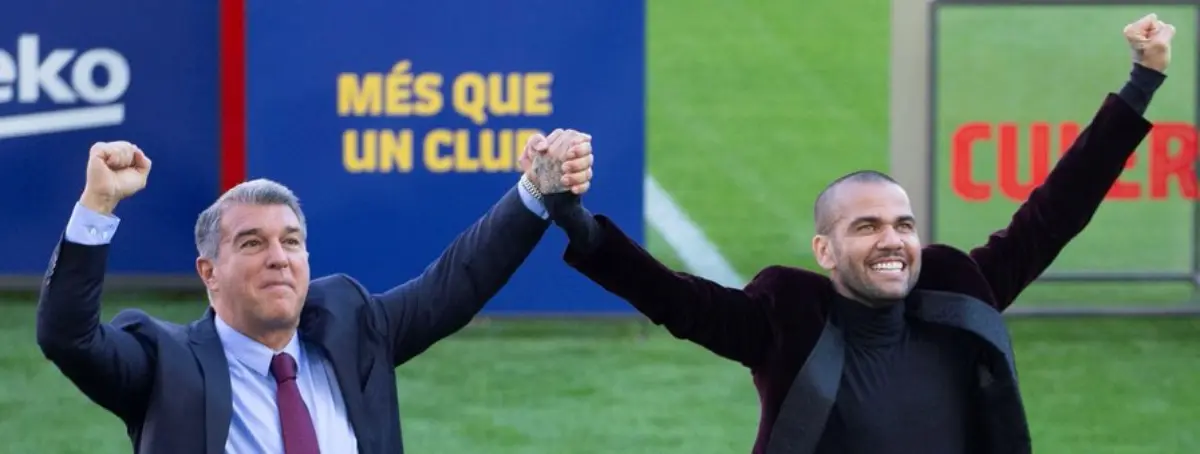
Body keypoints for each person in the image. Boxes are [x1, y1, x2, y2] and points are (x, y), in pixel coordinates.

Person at [540, 13, 1174, 454]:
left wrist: (1141, 82)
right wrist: (570, 213)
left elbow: (1054, 212)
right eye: (866, 226)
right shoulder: (783, 324)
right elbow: (671, 297)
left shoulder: (959, 295)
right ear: (825, 250)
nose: (892, 240)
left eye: (903, 225)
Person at [35, 128, 595, 454]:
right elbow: (67, 337)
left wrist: (534, 190)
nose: (278, 257)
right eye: (252, 243)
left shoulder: (353, 328)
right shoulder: (166, 365)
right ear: (209, 273)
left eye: (291, 241)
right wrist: (98, 205)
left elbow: (456, 282)